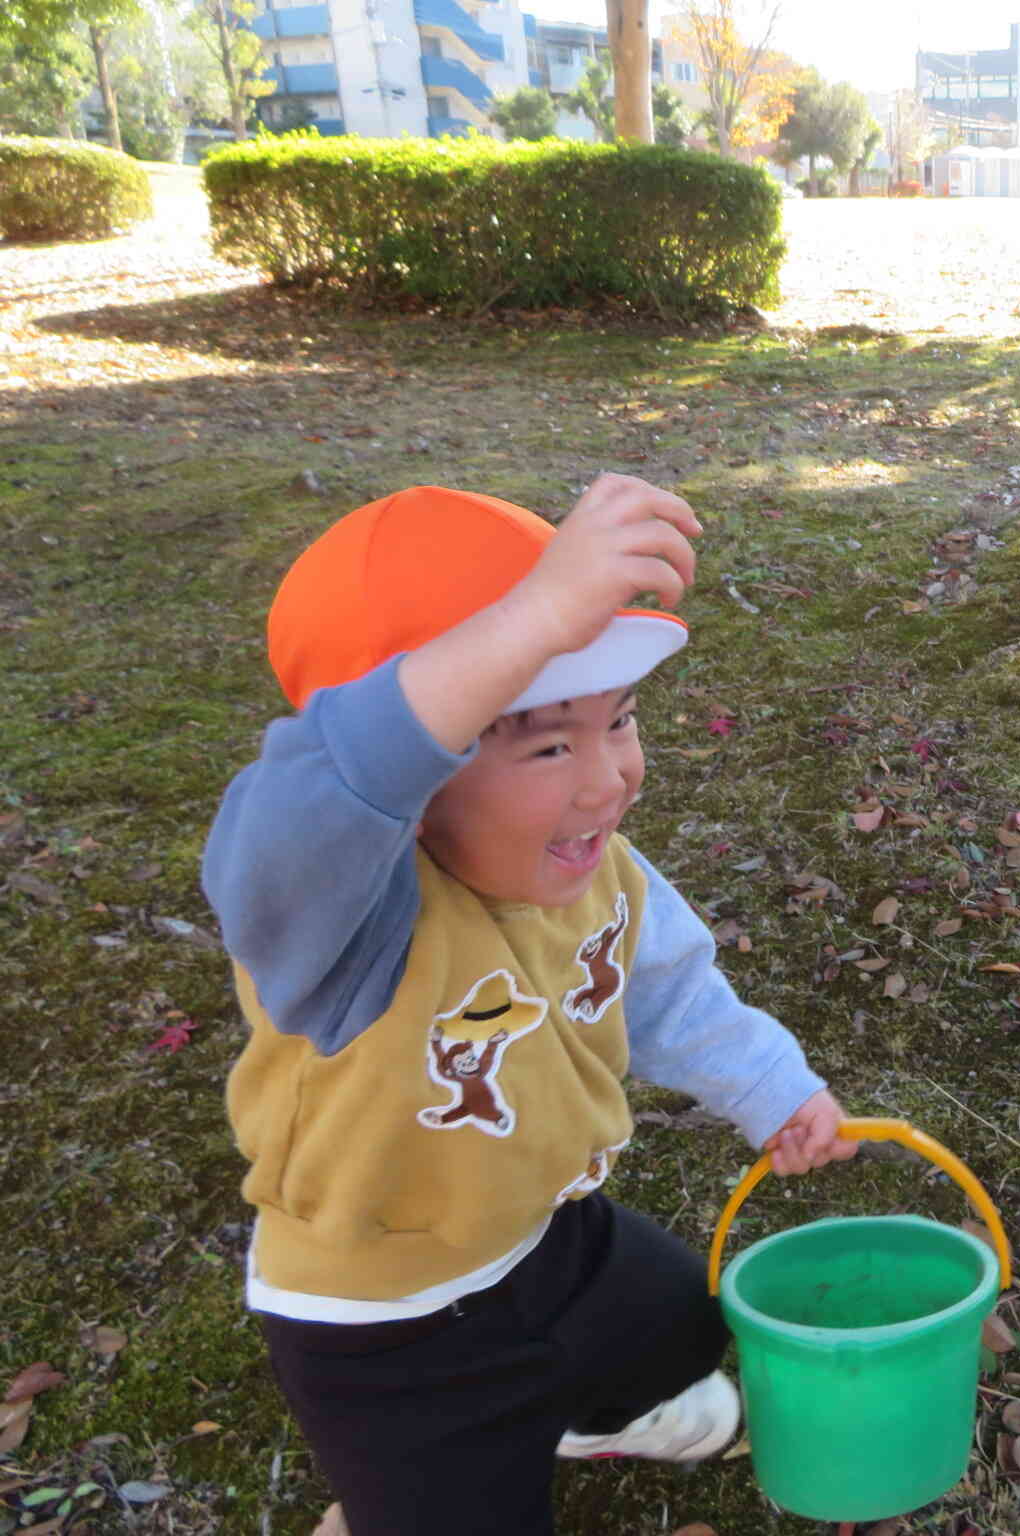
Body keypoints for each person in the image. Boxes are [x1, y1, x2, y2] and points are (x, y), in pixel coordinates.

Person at [203, 476, 858, 1536]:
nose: (609, 781)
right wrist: (526, 621)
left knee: (682, 1325)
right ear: (414, 784)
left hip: (542, 1231)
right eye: (549, 743)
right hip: (387, 1327)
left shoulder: (594, 867)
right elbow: (319, 791)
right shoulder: (340, 922)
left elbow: (668, 989)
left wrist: (769, 1085)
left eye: (621, 721)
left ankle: (585, 1418)